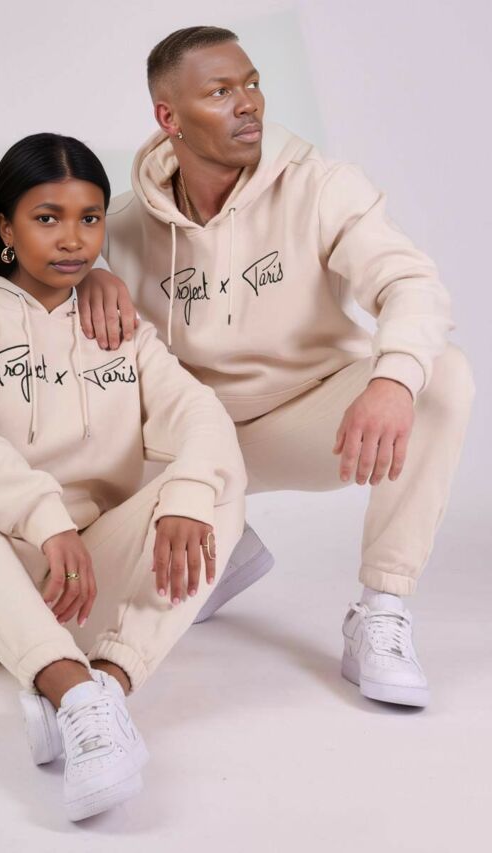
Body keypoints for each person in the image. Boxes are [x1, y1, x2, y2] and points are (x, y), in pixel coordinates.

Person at [75, 26, 476, 709]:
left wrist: (389, 379)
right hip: (192, 445)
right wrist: (89, 274)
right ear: (169, 117)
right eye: (220, 91)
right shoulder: (124, 224)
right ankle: (224, 549)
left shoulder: (321, 187)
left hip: (313, 421)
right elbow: (21, 281)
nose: (249, 103)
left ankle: (380, 609)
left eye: (253, 83)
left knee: (441, 375)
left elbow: (412, 284)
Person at [0, 133, 247, 820]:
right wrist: (44, 517)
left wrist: (188, 494)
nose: (74, 239)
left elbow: (201, 416)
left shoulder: (120, 329)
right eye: (47, 218)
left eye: (90, 218)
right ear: (5, 228)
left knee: (214, 484)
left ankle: (100, 696)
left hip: (66, 593)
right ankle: (68, 686)